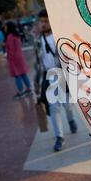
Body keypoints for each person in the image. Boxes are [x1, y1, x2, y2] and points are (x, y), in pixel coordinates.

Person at [34, 9, 77, 152]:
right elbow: (37, 64)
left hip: (62, 75)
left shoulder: (59, 37)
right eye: (41, 21)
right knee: (53, 107)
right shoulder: (37, 41)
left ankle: (71, 120)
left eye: (46, 21)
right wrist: (36, 84)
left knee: (67, 104)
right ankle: (60, 136)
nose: (43, 24)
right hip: (48, 76)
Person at [5, 21, 32, 100]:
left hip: (14, 58)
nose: (5, 28)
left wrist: (9, 58)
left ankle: (21, 91)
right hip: (20, 57)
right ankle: (29, 89)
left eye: (6, 26)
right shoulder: (16, 35)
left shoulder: (10, 36)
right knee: (23, 73)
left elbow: (11, 50)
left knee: (17, 75)